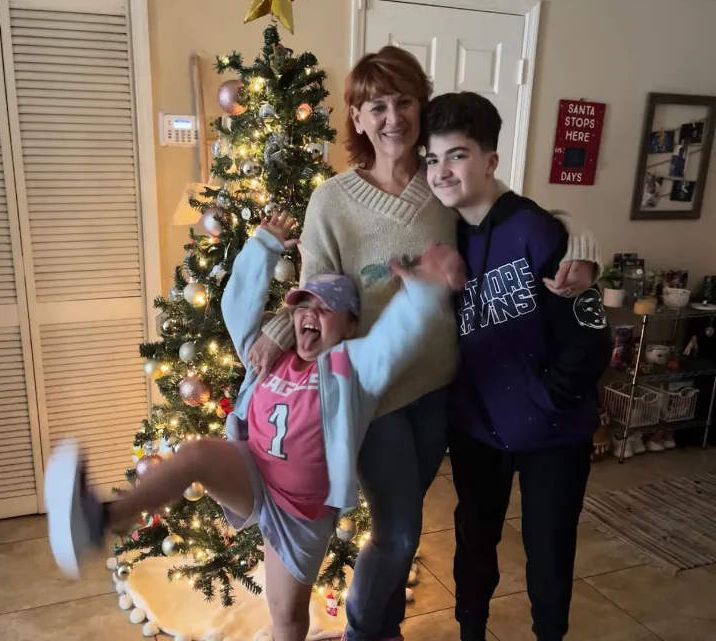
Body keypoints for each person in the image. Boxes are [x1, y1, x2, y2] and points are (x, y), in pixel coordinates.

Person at [248, 47, 601, 641]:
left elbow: (511, 212)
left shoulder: (441, 187)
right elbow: (315, 286)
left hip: (440, 391)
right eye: (376, 106)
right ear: (357, 118)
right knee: (400, 532)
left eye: (404, 101)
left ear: (421, 106)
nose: (393, 118)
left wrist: (581, 244)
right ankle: (368, 632)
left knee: (408, 527)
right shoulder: (332, 200)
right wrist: (279, 330)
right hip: (375, 394)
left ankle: (386, 629)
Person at [44, 211, 464, 641]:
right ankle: (101, 519)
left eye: (325, 309)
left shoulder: (349, 367)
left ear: (349, 324)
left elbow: (394, 341)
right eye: (304, 307)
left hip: (299, 512)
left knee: (287, 618)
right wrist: (263, 245)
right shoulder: (269, 354)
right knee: (196, 455)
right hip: (253, 472)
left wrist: (426, 289)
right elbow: (237, 306)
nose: (311, 315)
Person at [422, 91, 612, 641]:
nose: (442, 171)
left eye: (457, 155)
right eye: (432, 159)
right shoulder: (443, 235)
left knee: (549, 552)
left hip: (554, 432)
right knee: (473, 543)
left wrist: (549, 398)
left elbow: (591, 340)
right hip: (476, 428)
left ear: (490, 161)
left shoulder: (539, 231)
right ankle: (471, 632)